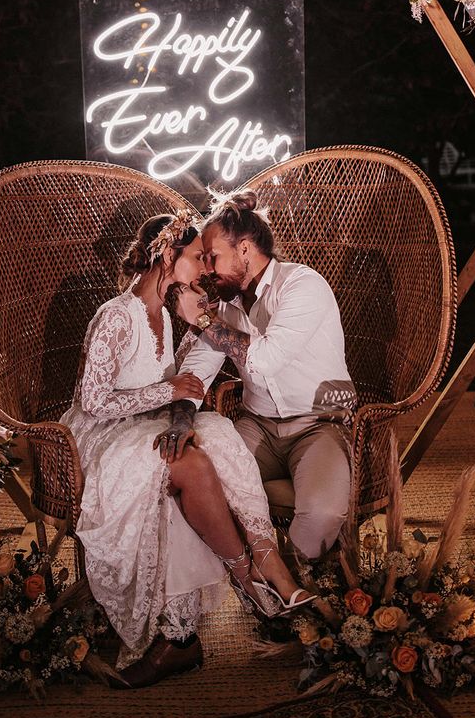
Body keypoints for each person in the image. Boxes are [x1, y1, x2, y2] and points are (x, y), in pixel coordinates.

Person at [60, 210, 314, 688]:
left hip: (143, 425)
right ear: (166, 255)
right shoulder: (116, 316)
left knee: (214, 443)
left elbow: (187, 380)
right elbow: (91, 402)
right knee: (191, 464)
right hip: (103, 438)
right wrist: (168, 391)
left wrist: (179, 385)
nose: (204, 268)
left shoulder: (164, 314)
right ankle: (252, 581)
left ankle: (183, 638)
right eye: (197, 257)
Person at [167, 192, 358, 563]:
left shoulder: (303, 286)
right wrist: (181, 419)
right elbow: (198, 367)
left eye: (212, 257)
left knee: (322, 513)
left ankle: (286, 581)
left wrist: (203, 320)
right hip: (256, 426)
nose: (206, 269)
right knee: (198, 487)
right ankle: (257, 581)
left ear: (245, 249)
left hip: (319, 424)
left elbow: (266, 360)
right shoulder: (227, 305)